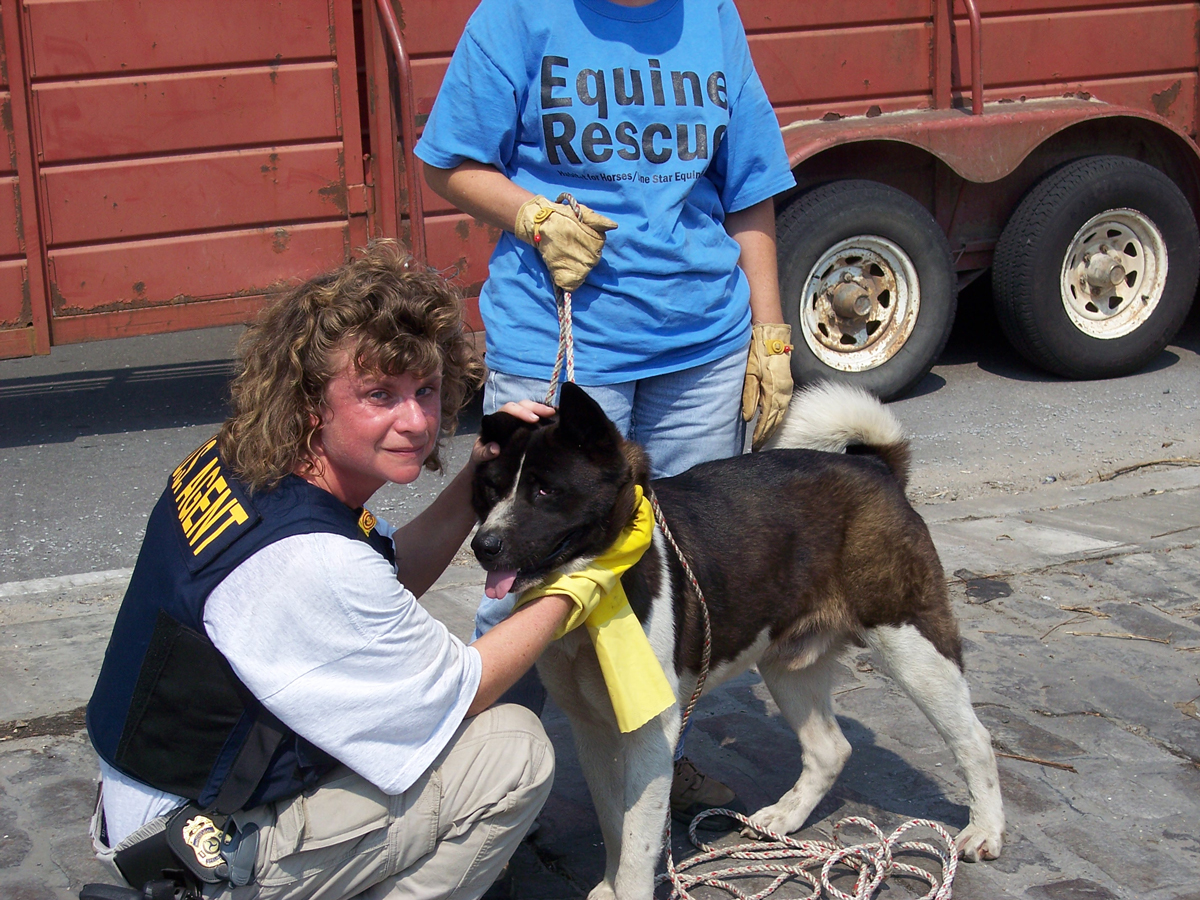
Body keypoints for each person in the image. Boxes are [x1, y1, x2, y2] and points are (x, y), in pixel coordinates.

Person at [84, 241, 571, 900]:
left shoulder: (241, 463)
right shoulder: (312, 560)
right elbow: (466, 687)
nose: (417, 421)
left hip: (153, 807)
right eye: (379, 395)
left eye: (426, 390)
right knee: (511, 752)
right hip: (199, 854)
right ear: (311, 401)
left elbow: (387, 572)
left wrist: (479, 475)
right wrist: (578, 585)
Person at [414, 0, 796, 824]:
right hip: (561, 342)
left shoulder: (710, 14)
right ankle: (472, 792)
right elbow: (449, 162)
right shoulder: (518, 14)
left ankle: (654, 765)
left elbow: (750, 185)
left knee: (676, 577)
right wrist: (530, 215)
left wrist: (769, 332)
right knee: (521, 574)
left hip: (703, 344)